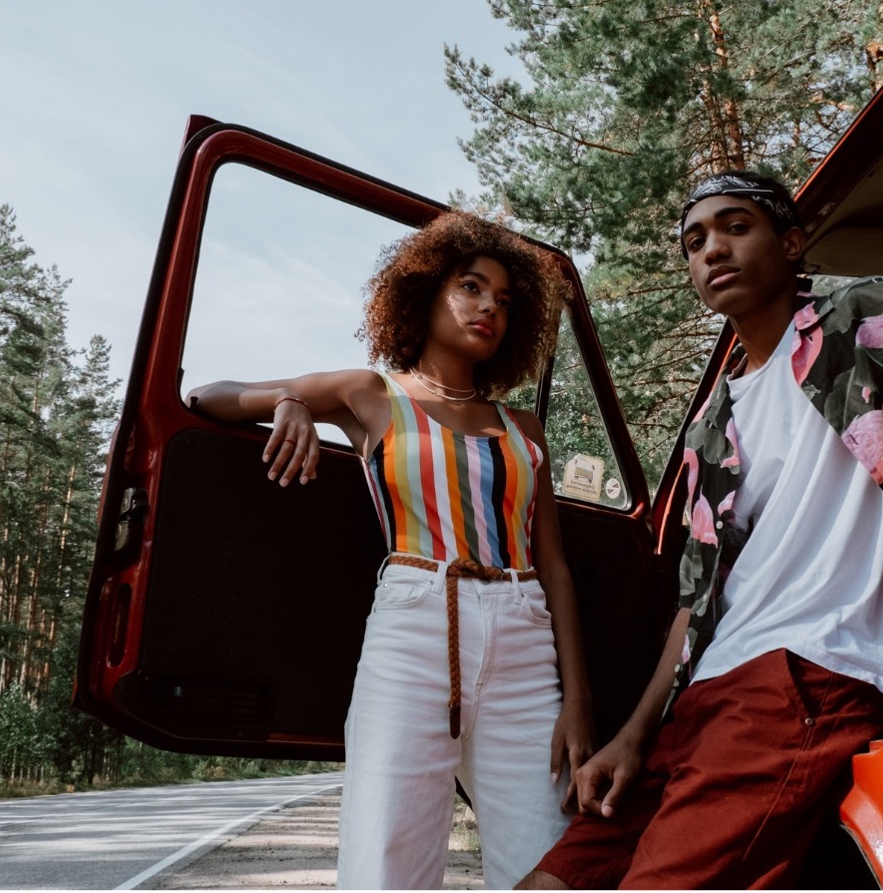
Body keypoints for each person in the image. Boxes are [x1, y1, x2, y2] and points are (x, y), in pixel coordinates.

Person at [518, 171, 883, 889]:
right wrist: (633, 735)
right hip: (707, 693)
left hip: (814, 668)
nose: (712, 248)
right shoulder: (713, 423)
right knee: (553, 880)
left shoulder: (867, 312)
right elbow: (694, 600)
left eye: (736, 227)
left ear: (791, 241)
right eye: (694, 241)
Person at [187, 211, 593, 890]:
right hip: (416, 627)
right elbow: (206, 395)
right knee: (386, 865)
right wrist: (286, 399)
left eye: (504, 297)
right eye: (470, 286)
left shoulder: (522, 427)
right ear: (427, 290)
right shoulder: (371, 396)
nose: (489, 305)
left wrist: (577, 701)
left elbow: (554, 565)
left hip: (526, 644)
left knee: (549, 863)